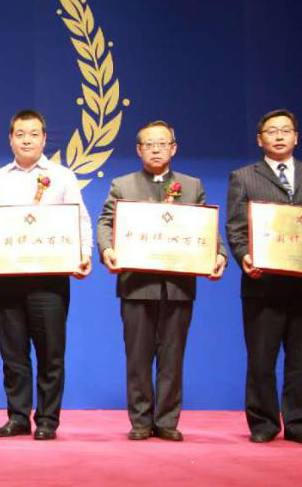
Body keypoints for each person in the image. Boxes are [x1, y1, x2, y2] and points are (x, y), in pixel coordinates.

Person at [96, 120, 226, 442]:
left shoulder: (191, 186)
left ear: (173, 148)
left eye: (162, 144)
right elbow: (106, 223)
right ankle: (141, 421)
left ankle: (167, 420)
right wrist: (107, 248)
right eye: (149, 144)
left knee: (172, 356)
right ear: (139, 150)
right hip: (136, 286)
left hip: (177, 287)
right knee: (137, 357)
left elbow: (206, 228)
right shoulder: (123, 185)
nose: (156, 149)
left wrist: (219, 253)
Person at [226, 109, 302, 446]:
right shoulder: (243, 177)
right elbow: (236, 228)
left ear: (296, 137)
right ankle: (263, 423)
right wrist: (244, 257)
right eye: (272, 131)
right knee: (261, 359)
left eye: (285, 130)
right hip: (262, 284)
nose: (279, 136)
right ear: (259, 139)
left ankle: (299, 424)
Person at [0, 109, 91, 441]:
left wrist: (84, 254)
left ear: (44, 139)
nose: (27, 140)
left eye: (34, 134)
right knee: (13, 352)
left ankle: (48, 419)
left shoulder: (62, 176)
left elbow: (80, 219)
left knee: (51, 351)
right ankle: (18, 416)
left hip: (49, 277)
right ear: (10, 139)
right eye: (20, 134)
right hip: (7, 276)